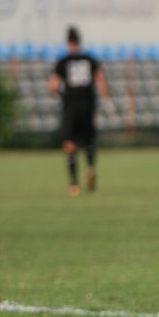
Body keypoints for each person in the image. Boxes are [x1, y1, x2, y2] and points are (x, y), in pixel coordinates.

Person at [48, 26, 112, 197]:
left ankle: (74, 184)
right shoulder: (90, 59)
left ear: (68, 43)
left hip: (71, 106)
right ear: (79, 42)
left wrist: (61, 96)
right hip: (88, 105)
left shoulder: (63, 61)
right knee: (89, 139)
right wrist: (107, 100)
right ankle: (90, 166)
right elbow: (100, 80)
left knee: (70, 143)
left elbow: (52, 86)